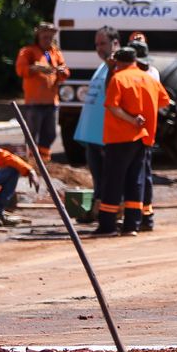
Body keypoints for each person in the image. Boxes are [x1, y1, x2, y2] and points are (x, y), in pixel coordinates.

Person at [92, 46, 170, 237]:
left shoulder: (119, 79)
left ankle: (108, 225)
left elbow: (112, 106)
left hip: (120, 137)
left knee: (113, 181)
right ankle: (132, 225)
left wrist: (132, 119)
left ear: (118, 62)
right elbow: (164, 101)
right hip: (143, 138)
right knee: (136, 181)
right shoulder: (149, 79)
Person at [73, 26, 121, 217]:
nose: (98, 48)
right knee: (99, 179)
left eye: (103, 43)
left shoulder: (116, 68)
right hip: (94, 136)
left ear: (115, 43)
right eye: (96, 44)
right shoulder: (103, 67)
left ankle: (108, 215)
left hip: (106, 136)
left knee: (109, 178)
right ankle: (100, 210)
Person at [15, 22, 69, 162]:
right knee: (33, 133)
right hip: (34, 102)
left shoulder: (55, 53)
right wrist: (35, 68)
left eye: (50, 37)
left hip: (51, 101)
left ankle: (44, 160)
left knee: (50, 133)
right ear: (38, 36)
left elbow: (65, 71)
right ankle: (32, 161)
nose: (48, 40)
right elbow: (20, 70)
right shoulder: (28, 51)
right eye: (45, 37)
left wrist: (63, 72)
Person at [126, 32, 160, 230]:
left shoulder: (132, 76)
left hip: (133, 132)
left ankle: (136, 219)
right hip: (148, 131)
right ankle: (146, 217)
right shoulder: (153, 73)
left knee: (135, 177)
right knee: (144, 175)